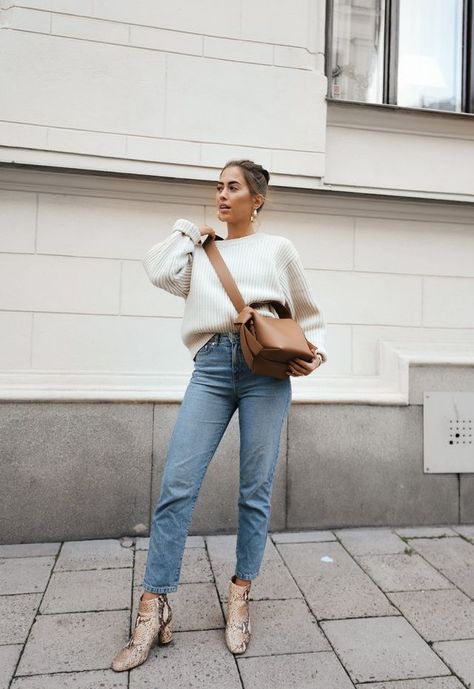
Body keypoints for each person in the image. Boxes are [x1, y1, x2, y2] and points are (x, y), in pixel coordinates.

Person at [111, 159, 328, 672]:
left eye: (233, 187)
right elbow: (158, 270)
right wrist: (190, 232)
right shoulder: (201, 251)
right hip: (211, 365)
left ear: (258, 199)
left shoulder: (278, 249)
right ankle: (153, 606)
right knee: (177, 485)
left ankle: (239, 594)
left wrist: (314, 352)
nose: (222, 195)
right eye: (218, 187)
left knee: (255, 486)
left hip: (265, 369)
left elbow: (308, 311)